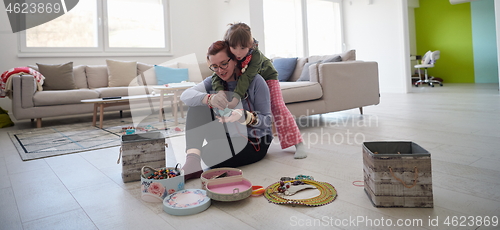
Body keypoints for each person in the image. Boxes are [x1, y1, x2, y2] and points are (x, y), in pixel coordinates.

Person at [210, 22, 308, 159]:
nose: (238, 52)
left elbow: (248, 76)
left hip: (268, 77)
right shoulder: (229, 54)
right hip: (253, 82)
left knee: (278, 106)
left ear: (250, 45)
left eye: (243, 48)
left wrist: (235, 98)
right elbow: (216, 74)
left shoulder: (255, 55)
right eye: (234, 47)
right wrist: (220, 91)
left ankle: (298, 143)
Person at [179, 40, 273, 181]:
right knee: (197, 105)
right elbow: (185, 95)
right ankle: (192, 162)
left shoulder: (255, 81)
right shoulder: (213, 80)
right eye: (215, 66)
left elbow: (267, 121)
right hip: (227, 135)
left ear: (235, 59)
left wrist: (244, 116)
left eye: (224, 64)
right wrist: (209, 99)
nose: (220, 71)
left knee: (210, 155)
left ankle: (206, 155)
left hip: (254, 141)